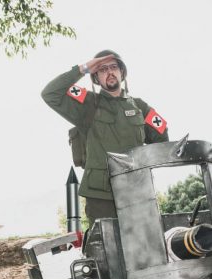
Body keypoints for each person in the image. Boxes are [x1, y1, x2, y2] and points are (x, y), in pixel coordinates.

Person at [41, 50, 169, 227]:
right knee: (106, 248)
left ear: (122, 72)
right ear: (96, 78)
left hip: (137, 192)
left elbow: (163, 142)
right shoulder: (87, 103)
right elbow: (50, 93)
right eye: (102, 69)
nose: (109, 72)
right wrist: (83, 68)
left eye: (114, 67)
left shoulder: (140, 107)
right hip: (101, 195)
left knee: (145, 246)